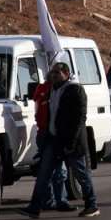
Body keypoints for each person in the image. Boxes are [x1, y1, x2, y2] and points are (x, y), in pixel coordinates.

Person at [17, 61, 99, 218]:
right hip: (53, 141)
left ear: (66, 75)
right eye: (52, 72)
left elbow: (79, 119)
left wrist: (71, 143)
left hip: (71, 142)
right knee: (44, 174)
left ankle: (92, 205)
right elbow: (50, 116)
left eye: (56, 73)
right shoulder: (52, 90)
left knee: (81, 174)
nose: (53, 75)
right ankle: (35, 207)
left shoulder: (75, 90)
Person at [32, 69, 74, 212]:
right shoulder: (54, 92)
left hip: (42, 133)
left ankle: (48, 201)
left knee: (47, 171)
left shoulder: (42, 91)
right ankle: (60, 200)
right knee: (59, 170)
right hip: (51, 135)